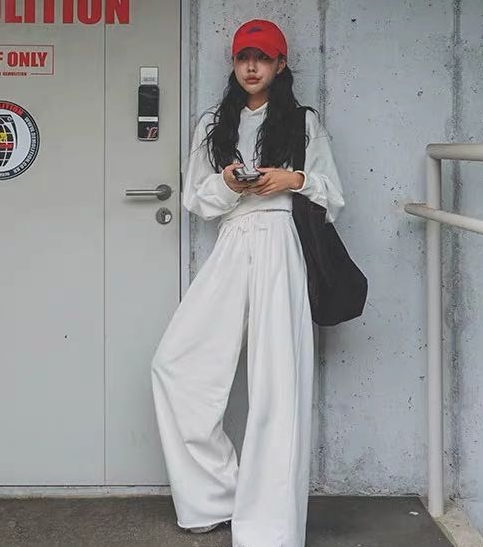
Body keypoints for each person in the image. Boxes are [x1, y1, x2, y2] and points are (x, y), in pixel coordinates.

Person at [151, 19, 345, 547]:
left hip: (282, 241)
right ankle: (216, 497)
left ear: (281, 64)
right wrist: (229, 183)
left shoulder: (303, 122)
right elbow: (196, 199)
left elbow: (333, 194)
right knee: (177, 366)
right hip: (234, 239)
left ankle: (270, 527)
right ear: (233, 64)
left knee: (278, 385)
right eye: (243, 57)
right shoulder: (214, 123)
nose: (252, 66)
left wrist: (293, 179)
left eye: (262, 57)